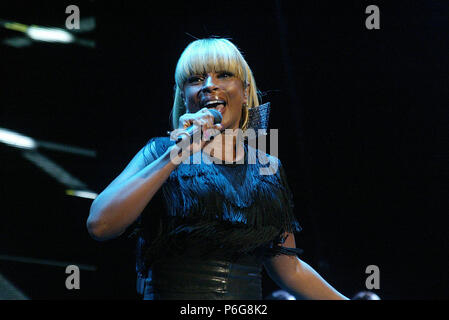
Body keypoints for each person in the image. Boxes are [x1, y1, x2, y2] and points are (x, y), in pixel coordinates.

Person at [87, 38, 349, 300]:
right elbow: (101, 224)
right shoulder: (161, 152)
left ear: (245, 91)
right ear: (184, 95)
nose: (210, 85)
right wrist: (178, 153)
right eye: (196, 79)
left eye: (223, 75)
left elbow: (289, 269)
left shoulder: (268, 167)